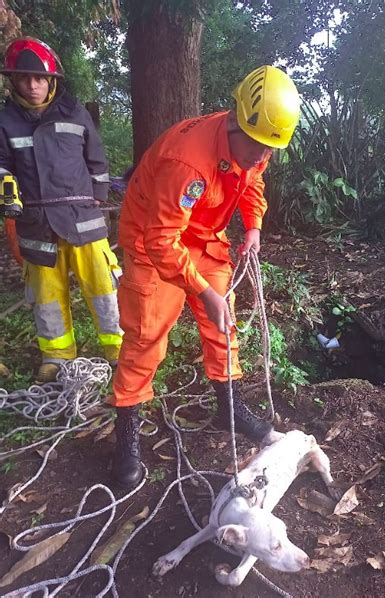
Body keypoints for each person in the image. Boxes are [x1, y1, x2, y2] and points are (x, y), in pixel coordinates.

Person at [110, 65, 300, 488]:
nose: (262, 157)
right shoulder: (188, 162)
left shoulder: (253, 143)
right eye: (257, 148)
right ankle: (124, 439)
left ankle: (228, 409)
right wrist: (199, 289)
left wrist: (252, 225)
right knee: (146, 336)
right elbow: (161, 239)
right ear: (237, 121)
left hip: (201, 236)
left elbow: (252, 182)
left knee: (223, 326)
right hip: (150, 241)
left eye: (270, 150)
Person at [0, 37, 122, 382]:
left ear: (51, 80)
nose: (33, 85)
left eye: (39, 78)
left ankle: (117, 350)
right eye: (24, 78)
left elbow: (97, 162)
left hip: (83, 221)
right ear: (14, 80)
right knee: (47, 297)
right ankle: (56, 357)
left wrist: (97, 199)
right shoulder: (5, 122)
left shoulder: (76, 113)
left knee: (103, 288)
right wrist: (5, 189)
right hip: (36, 225)